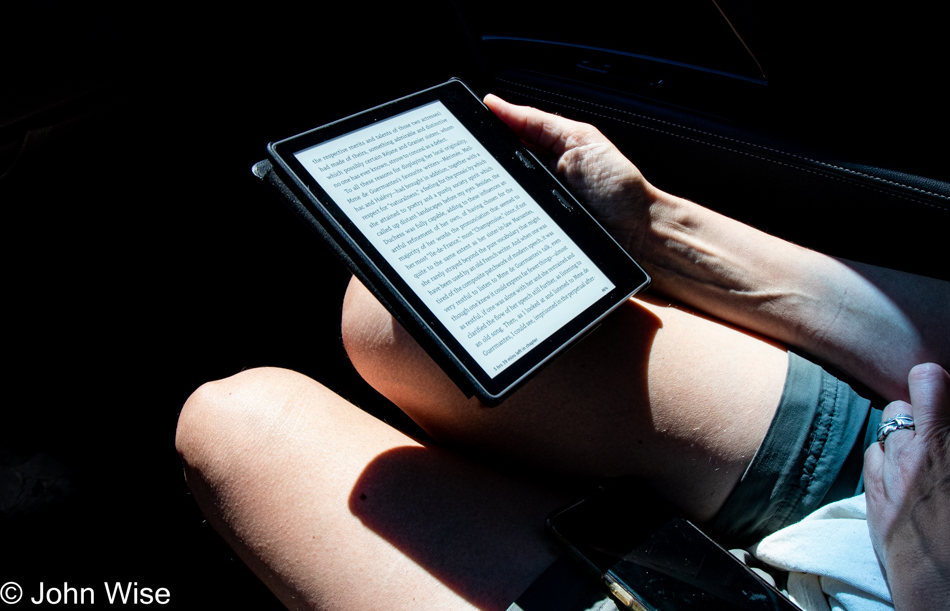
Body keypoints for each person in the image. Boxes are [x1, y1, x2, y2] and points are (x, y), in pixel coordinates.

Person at [175, 95, 949, 611]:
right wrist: (657, 229)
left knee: (237, 422)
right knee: (398, 315)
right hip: (904, 460)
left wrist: (927, 573)